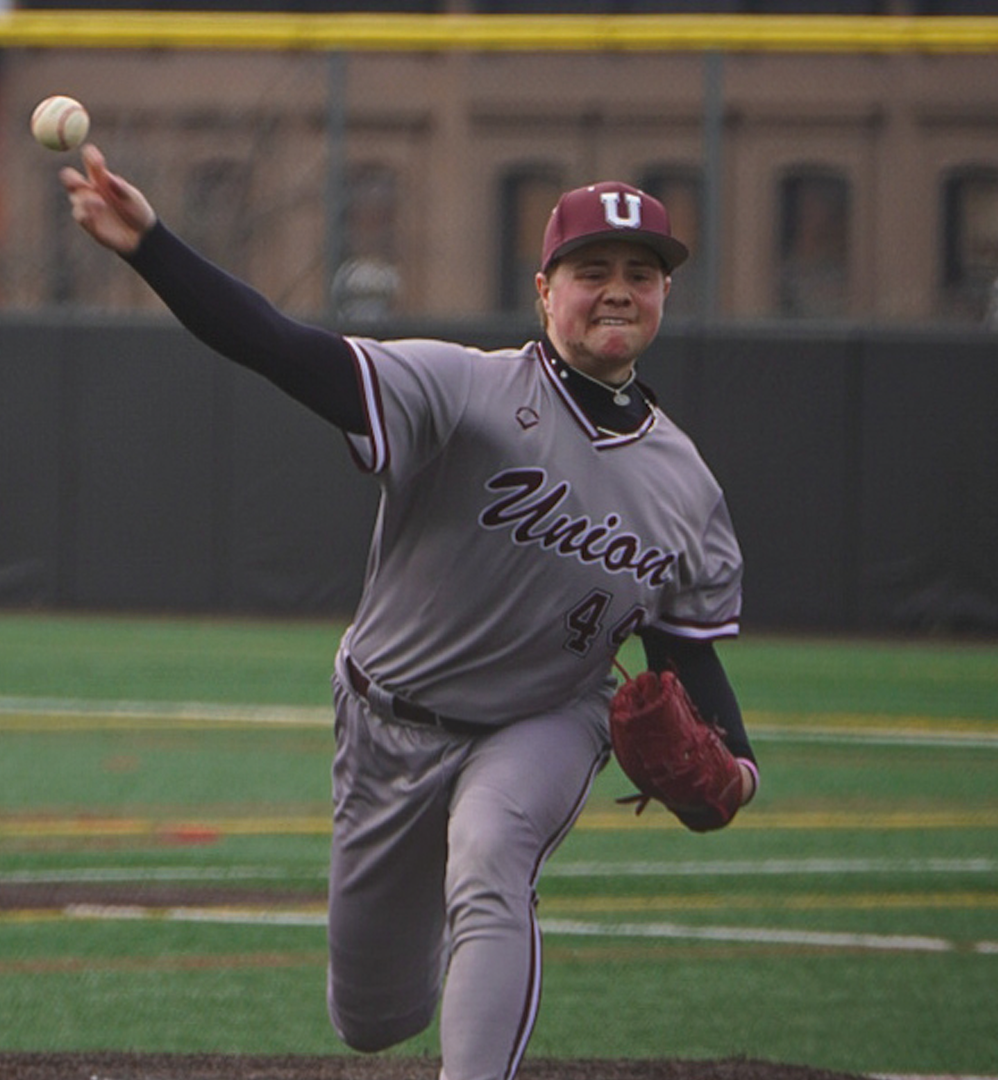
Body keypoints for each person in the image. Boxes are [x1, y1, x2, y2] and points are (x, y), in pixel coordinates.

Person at [62, 145, 757, 1080]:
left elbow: (686, 655)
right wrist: (152, 247)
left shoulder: (687, 487)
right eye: (593, 272)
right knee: (371, 1018)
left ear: (665, 296)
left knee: (490, 857)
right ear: (546, 291)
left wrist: (739, 770)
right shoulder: (465, 389)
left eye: (643, 274)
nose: (619, 291)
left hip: (543, 718)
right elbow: (281, 347)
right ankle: (443, 962)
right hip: (388, 721)